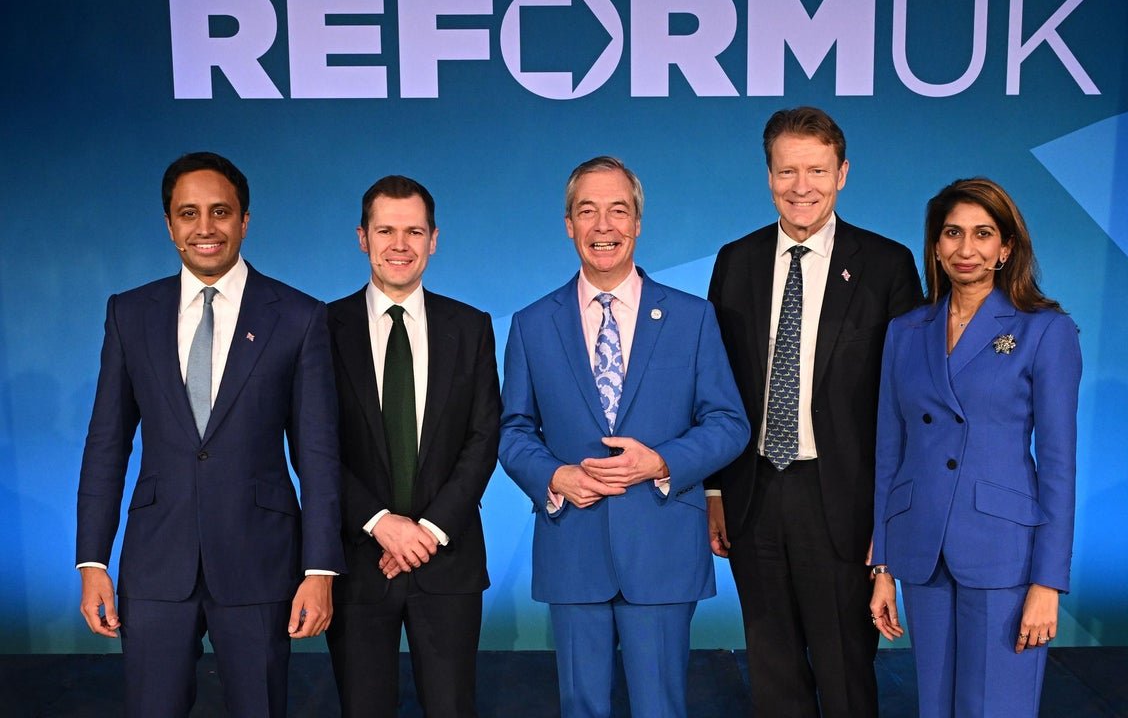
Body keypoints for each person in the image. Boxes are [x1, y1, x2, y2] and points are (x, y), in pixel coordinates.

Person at [75, 151, 344, 717]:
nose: (205, 227)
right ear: (169, 225)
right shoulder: (129, 313)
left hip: (260, 562)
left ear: (245, 221)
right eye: (188, 213)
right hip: (154, 563)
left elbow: (318, 456)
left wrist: (319, 569)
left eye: (220, 211)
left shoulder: (298, 316)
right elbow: (106, 442)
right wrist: (92, 561)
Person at [499, 156, 749, 718]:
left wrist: (659, 462)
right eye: (588, 211)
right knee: (580, 706)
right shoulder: (532, 324)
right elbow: (514, 431)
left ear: (638, 223)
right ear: (569, 224)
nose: (604, 226)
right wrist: (554, 475)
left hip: (661, 547)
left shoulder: (692, 318)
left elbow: (729, 423)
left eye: (619, 210)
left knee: (661, 707)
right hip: (573, 546)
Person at [706, 106, 922, 717]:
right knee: (772, 672)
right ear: (768, 175)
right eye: (787, 171)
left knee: (846, 671)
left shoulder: (886, 265)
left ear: (843, 174)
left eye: (817, 171)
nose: (802, 187)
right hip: (754, 495)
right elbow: (717, 387)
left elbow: (906, 402)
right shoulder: (736, 260)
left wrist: (892, 515)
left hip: (843, 502)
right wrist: (715, 493)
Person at [869, 177, 1082, 717]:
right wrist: (884, 565)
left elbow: (1058, 466)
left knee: (997, 708)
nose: (966, 249)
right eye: (953, 234)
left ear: (1006, 247)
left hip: (1004, 553)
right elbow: (889, 453)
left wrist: (1047, 582)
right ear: (936, 245)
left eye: (983, 234)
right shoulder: (905, 330)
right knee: (936, 708)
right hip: (923, 550)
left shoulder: (1044, 330)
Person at [324, 175, 500, 717]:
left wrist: (427, 531)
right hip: (359, 562)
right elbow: (313, 445)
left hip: (447, 561)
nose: (400, 244)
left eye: (414, 231)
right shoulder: (323, 327)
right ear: (362, 237)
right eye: (386, 230)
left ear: (433, 239)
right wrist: (381, 523)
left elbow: (483, 436)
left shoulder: (470, 326)